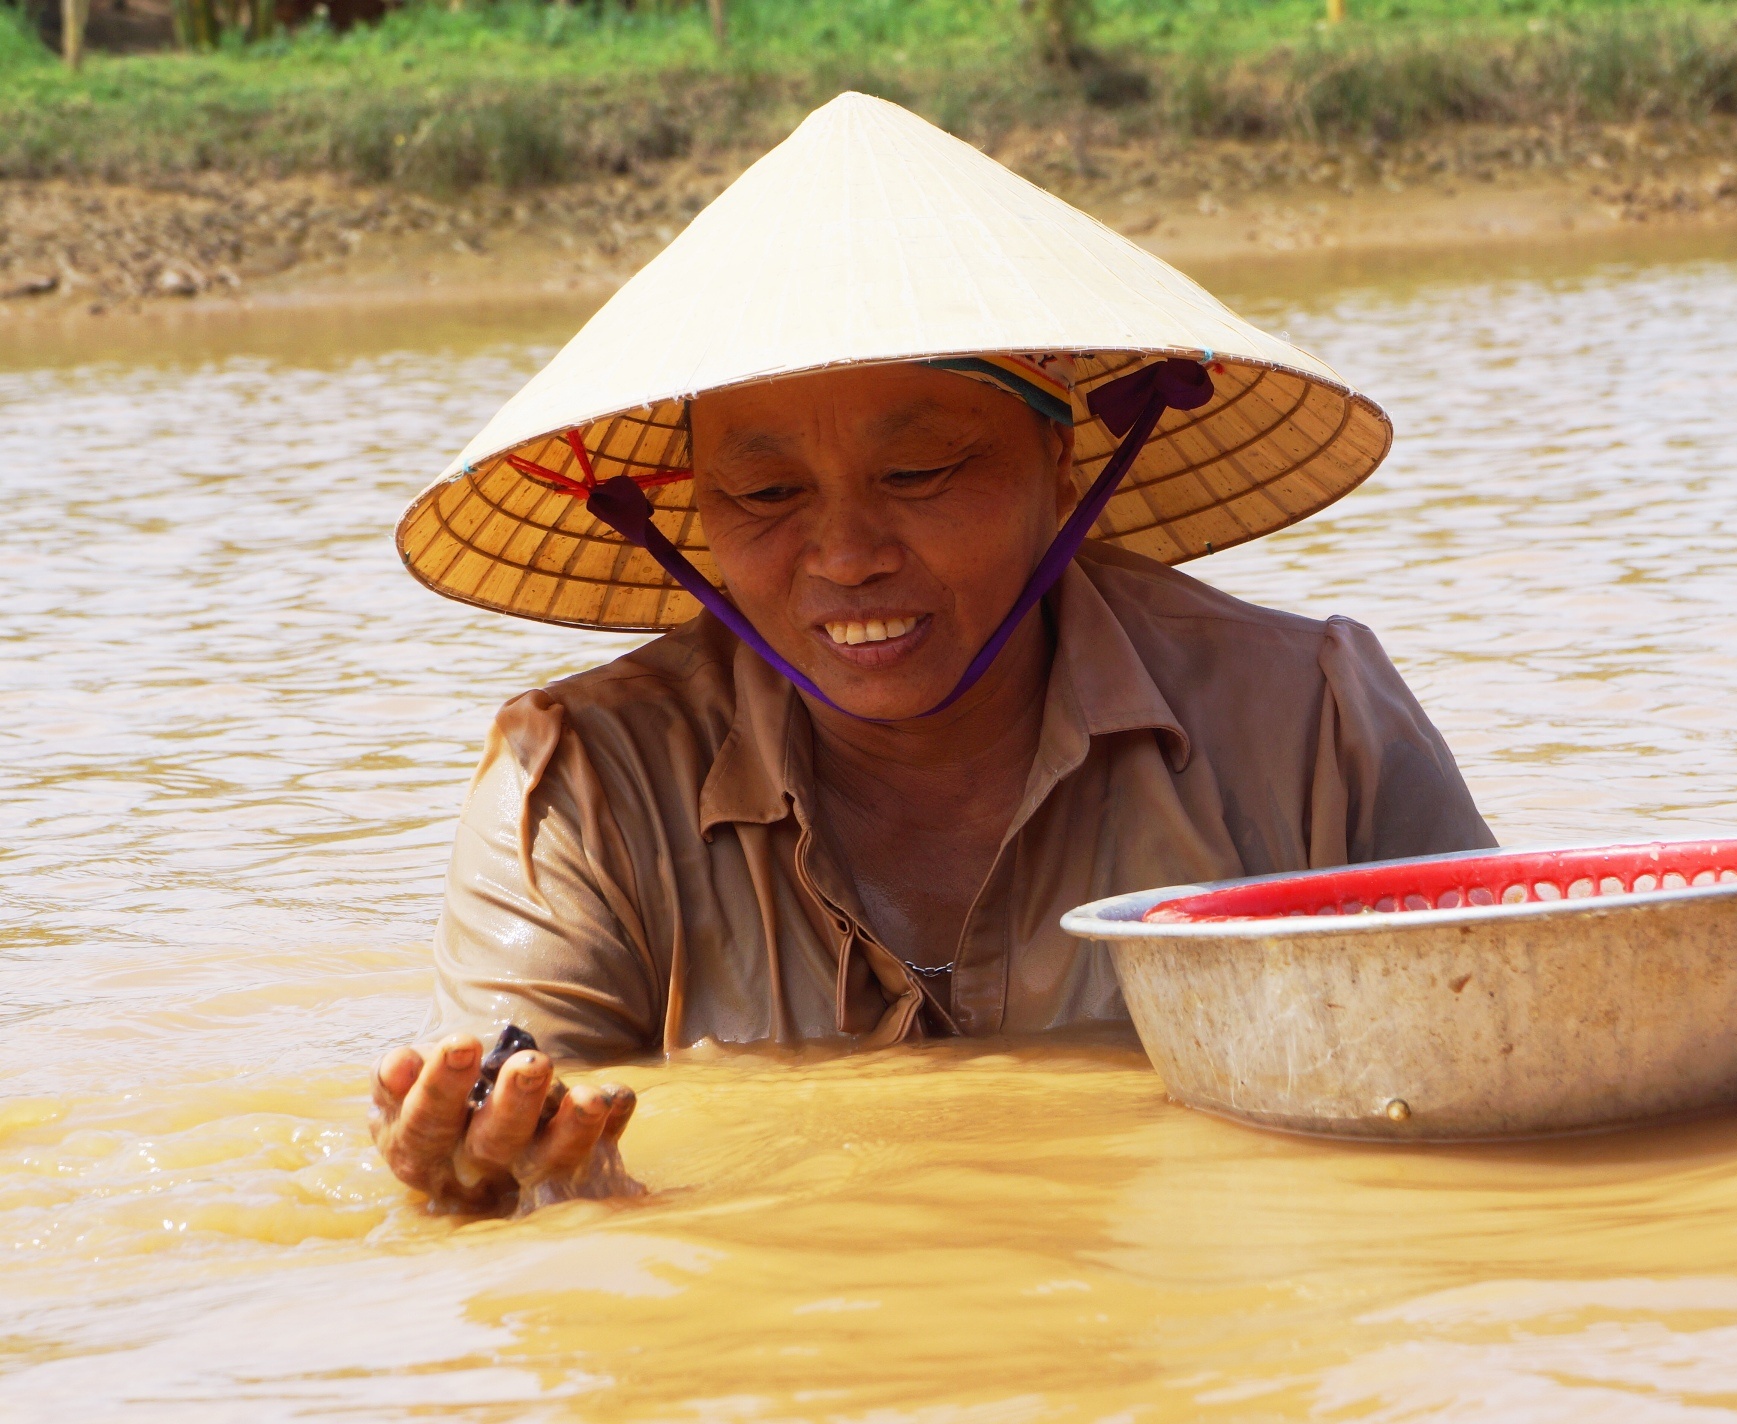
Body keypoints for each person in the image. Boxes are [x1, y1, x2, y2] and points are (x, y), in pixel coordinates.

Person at [370, 93, 1495, 1212]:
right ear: (697, 514)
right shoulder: (581, 792)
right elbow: (527, 1144)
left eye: (919, 474)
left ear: (1060, 471)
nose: (847, 555)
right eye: (765, 493)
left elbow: (1492, 1081)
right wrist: (512, 1180)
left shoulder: (1311, 726)